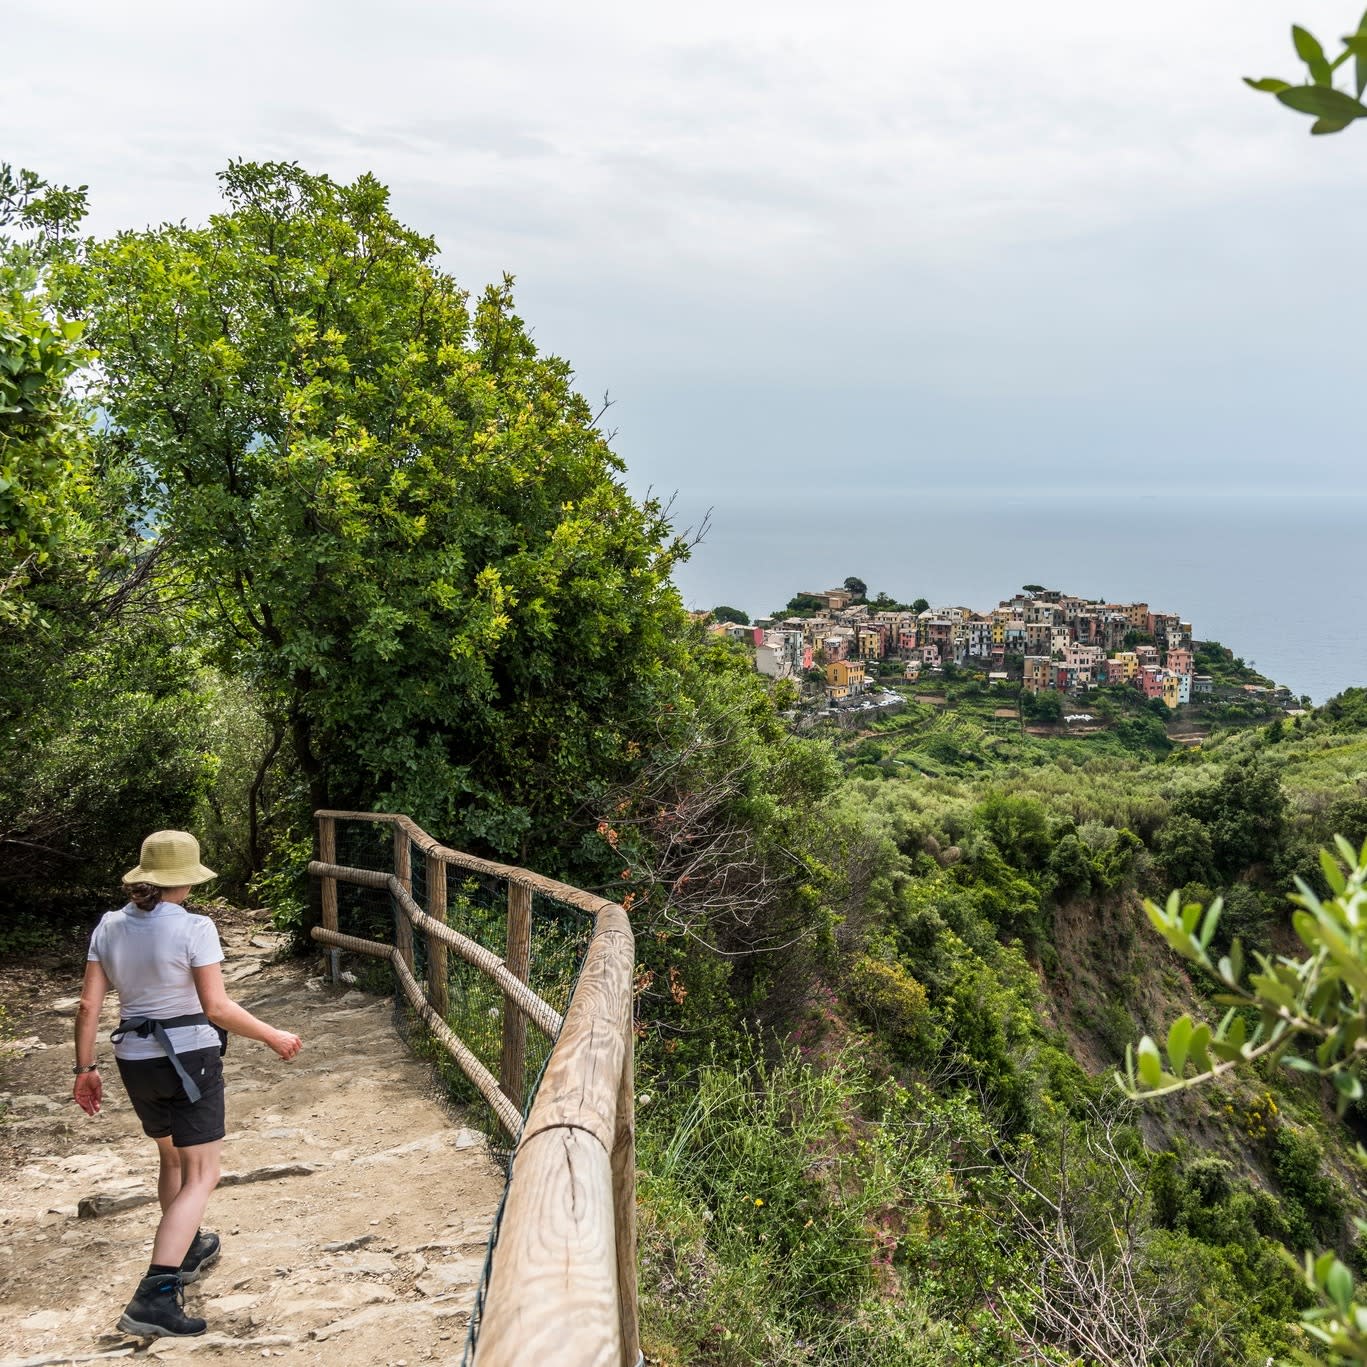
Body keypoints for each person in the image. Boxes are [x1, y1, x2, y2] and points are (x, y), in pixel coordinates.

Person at [73, 830, 303, 1338]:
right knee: (203, 1174)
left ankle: (189, 1244)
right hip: (189, 1059)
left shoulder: (109, 926)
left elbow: (90, 1005)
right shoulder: (195, 927)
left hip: (133, 1058)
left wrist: (84, 1069)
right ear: (187, 880)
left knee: (171, 1157)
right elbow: (215, 1007)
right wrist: (273, 1035)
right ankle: (155, 1295)